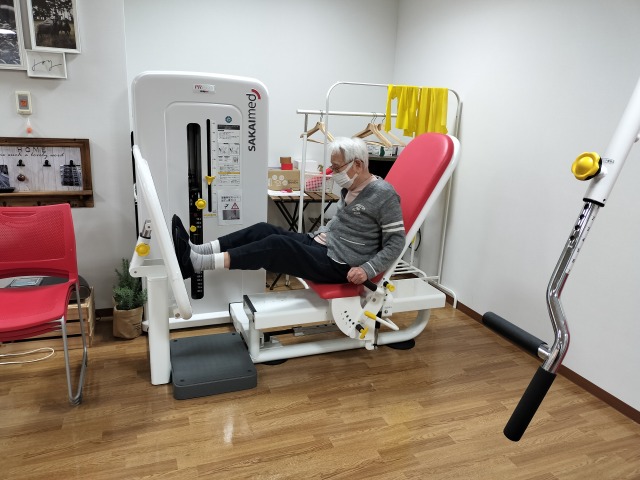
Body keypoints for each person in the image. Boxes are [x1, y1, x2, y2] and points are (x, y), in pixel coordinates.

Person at [173, 137, 405, 285]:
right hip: (322, 243)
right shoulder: (350, 187)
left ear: (358, 165)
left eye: (337, 168)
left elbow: (396, 242)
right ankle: (199, 250)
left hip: (340, 263)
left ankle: (198, 263)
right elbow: (343, 223)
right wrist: (323, 233)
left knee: (276, 245)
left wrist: (367, 269)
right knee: (263, 230)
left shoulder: (384, 194)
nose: (333, 173)